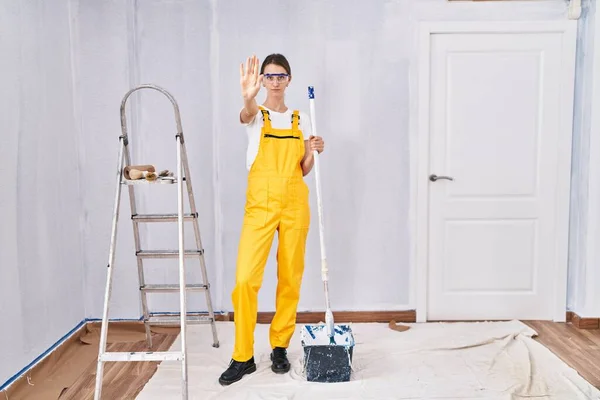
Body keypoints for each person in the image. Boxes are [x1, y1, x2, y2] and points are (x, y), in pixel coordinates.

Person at [219, 54, 325, 386]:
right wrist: (248, 96)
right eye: (269, 76)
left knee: (290, 277)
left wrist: (313, 150)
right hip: (261, 205)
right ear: (263, 80)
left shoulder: (302, 119)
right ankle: (243, 355)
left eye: (280, 76)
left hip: (295, 202)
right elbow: (245, 113)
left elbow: (303, 169)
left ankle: (280, 346)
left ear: (289, 80)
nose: (275, 81)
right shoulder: (255, 115)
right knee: (245, 280)